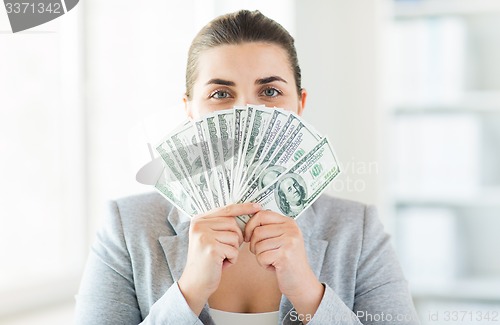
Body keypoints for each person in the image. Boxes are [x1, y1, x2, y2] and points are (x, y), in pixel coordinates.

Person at [75, 10, 419, 325]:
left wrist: (309, 296)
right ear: (190, 110)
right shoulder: (126, 228)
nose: (247, 114)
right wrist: (189, 291)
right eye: (221, 94)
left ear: (299, 105)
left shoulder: (358, 231)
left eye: (269, 91)